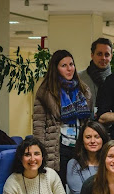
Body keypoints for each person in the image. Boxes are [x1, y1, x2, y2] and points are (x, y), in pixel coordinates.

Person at [34, 49, 92, 185]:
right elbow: (38, 126)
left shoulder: (83, 90)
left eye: (71, 64)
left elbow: (87, 121)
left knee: (80, 185)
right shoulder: (46, 91)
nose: (69, 69)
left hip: (79, 146)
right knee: (58, 186)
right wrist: (40, 152)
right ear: (56, 68)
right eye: (64, 65)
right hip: (57, 147)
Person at [78, 38, 112, 115]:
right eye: (99, 54)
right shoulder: (79, 78)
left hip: (110, 121)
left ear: (111, 57)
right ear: (92, 55)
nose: (103, 58)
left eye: (107, 55)